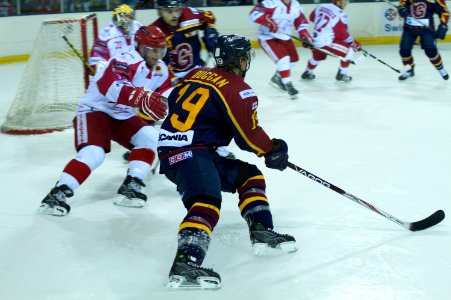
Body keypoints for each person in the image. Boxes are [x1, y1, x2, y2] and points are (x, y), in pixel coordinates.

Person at [157, 34, 298, 290]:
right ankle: (185, 263)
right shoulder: (238, 89)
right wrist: (273, 149)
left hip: (181, 149)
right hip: (190, 152)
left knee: (249, 176)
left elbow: (175, 102)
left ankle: (262, 231)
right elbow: (248, 138)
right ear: (241, 59)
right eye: (246, 57)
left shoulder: (195, 74)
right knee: (206, 201)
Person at [38, 25, 172, 216]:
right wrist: (140, 97)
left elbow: (166, 94)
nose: (157, 55)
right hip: (95, 110)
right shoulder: (124, 59)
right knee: (94, 153)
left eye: (161, 50)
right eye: (153, 49)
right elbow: (113, 88)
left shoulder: (161, 69)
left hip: (122, 115)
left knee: (151, 139)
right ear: (140, 47)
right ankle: (56, 196)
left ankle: (131, 186)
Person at [249, 0, 311, 99]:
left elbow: (300, 21)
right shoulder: (270, 2)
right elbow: (253, 14)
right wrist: (267, 21)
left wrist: (304, 36)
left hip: (285, 38)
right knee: (284, 59)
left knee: (293, 60)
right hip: (268, 37)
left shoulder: (296, 5)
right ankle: (288, 85)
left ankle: (277, 77)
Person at [150, 0, 219, 80]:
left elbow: (209, 18)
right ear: (159, 12)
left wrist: (211, 34)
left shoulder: (190, 14)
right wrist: (172, 79)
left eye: (177, 10)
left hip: (198, 69)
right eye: (169, 12)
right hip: (176, 76)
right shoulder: (155, 31)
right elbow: (160, 63)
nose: (175, 15)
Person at [300, 0, 361, 82]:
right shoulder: (340, 14)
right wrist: (354, 44)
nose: (345, 3)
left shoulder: (321, 6)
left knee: (318, 56)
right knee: (349, 50)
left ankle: (308, 72)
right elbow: (343, 35)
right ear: (338, 2)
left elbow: (312, 17)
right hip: (326, 42)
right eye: (344, 1)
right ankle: (342, 74)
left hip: (314, 40)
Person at [397, 0, 449, 80]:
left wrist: (443, 25)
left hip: (426, 29)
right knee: (404, 50)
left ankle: (441, 69)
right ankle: (408, 70)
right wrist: (402, 10)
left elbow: (444, 12)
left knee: (431, 51)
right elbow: (402, 6)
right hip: (409, 27)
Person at [88, 4, 142, 74]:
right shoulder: (107, 32)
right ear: (116, 18)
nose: (125, 20)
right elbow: (97, 53)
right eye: (122, 16)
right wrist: (95, 66)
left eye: (128, 16)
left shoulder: (137, 27)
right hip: (116, 73)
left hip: (136, 71)